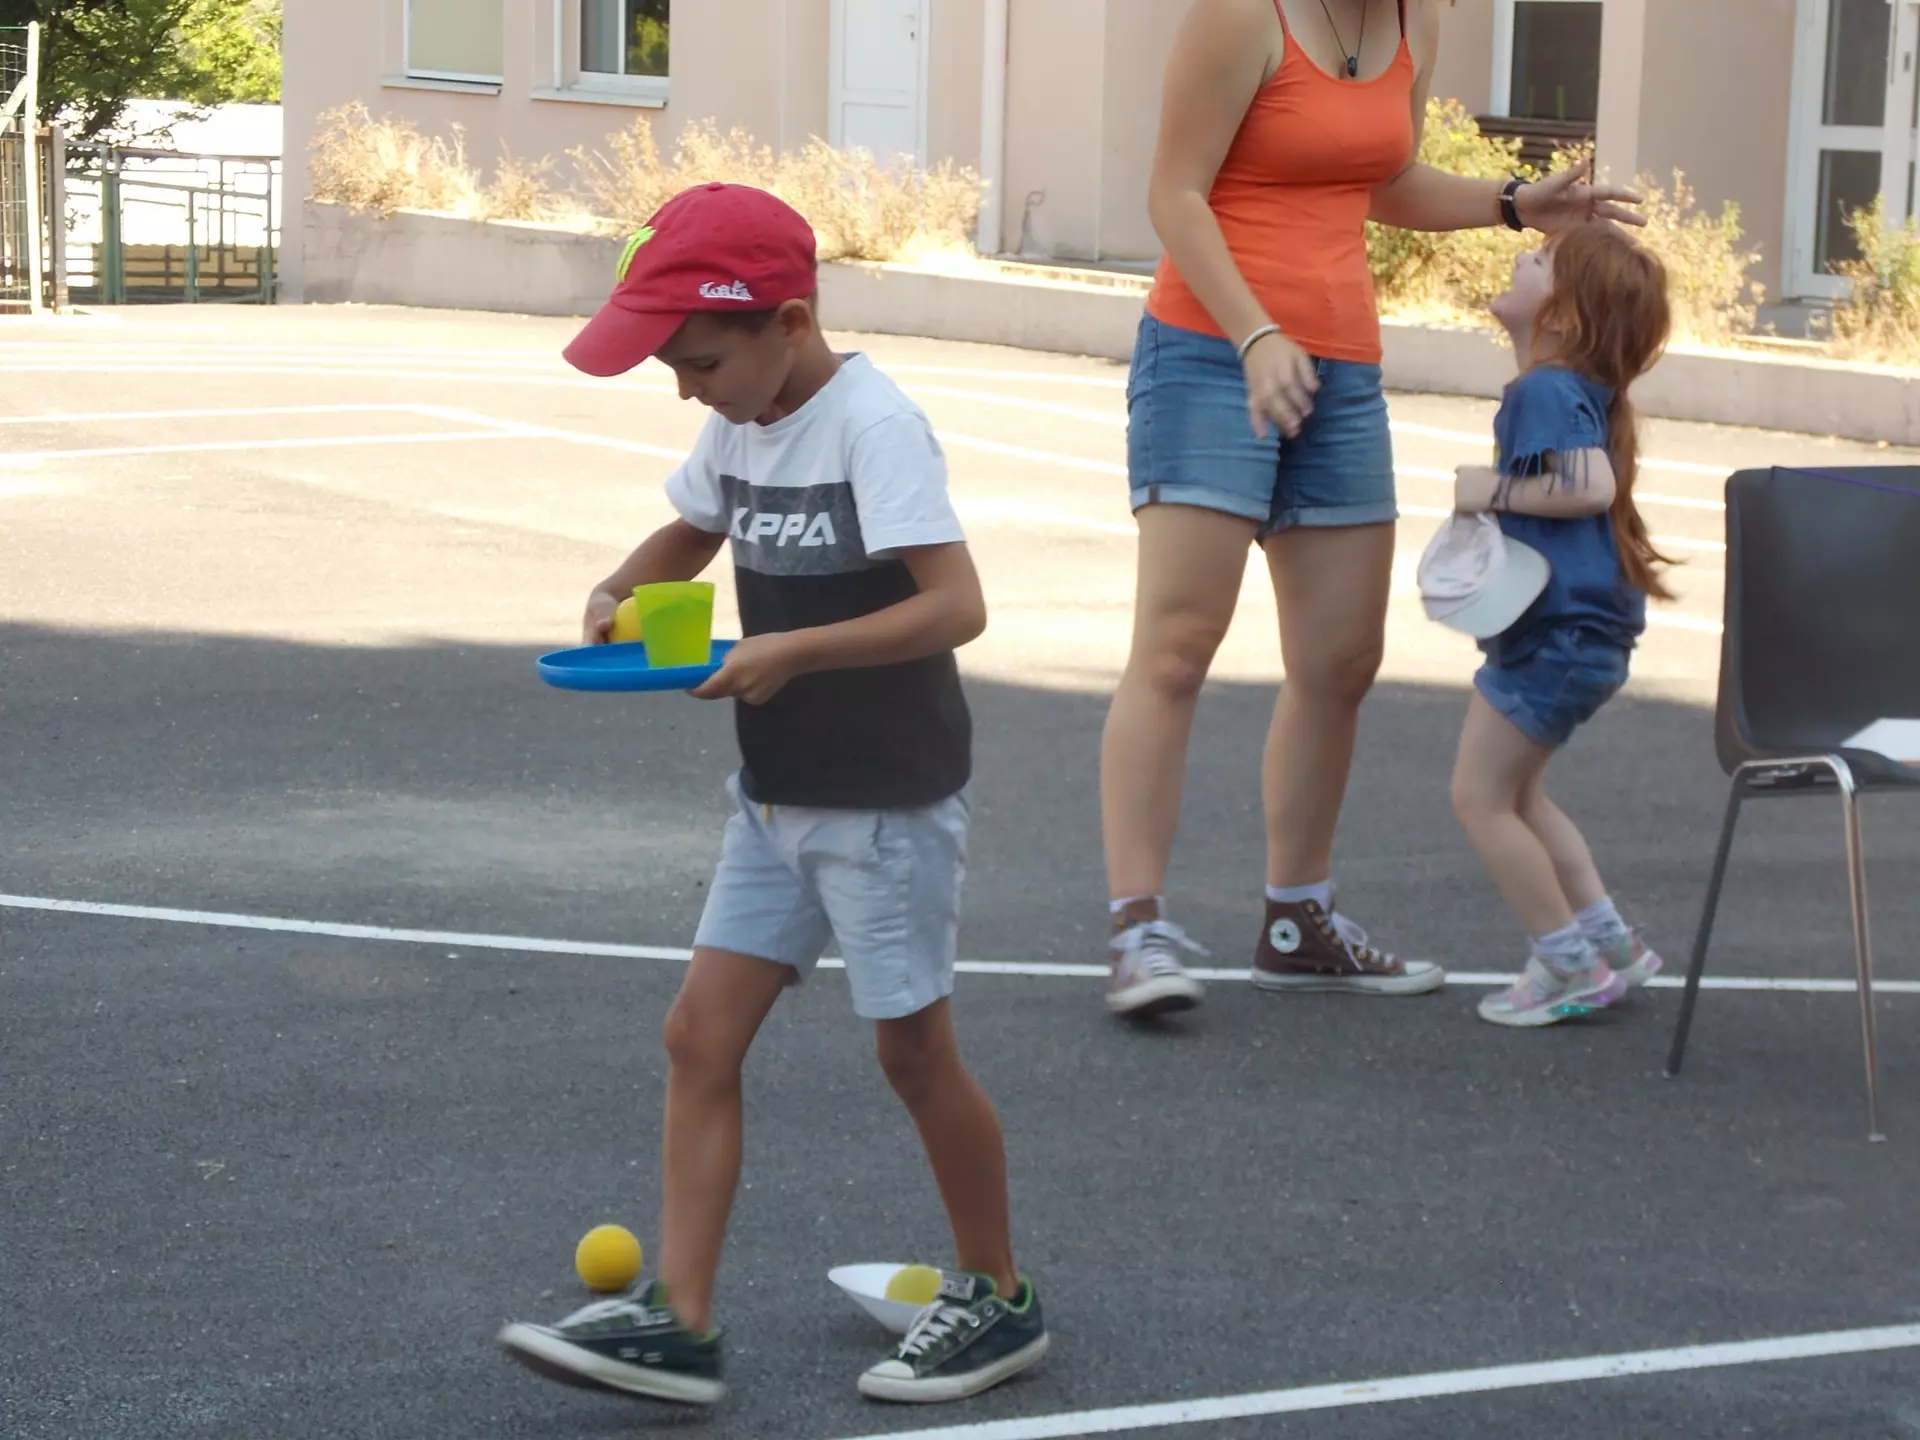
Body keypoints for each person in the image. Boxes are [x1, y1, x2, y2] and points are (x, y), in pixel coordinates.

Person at [496, 183, 1047, 1406]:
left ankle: (998, 1296)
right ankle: (683, 1323)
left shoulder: (873, 424)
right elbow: (689, 533)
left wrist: (790, 651)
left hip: (883, 800)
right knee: (698, 1035)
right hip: (779, 787)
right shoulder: (738, 423)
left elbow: (957, 607)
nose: (687, 388)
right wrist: (618, 586)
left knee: (913, 1055)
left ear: (787, 321)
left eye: (698, 361)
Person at [1101, 0, 1646, 1018]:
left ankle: (1295, 921)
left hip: (1340, 367)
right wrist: (1256, 333)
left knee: (1342, 661)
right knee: (1176, 645)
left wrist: (1516, 202)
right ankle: (1139, 930)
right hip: (1212, 351)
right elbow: (1175, 195)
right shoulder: (1239, 16)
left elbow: (1381, 180)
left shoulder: (1415, 22)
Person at [1444, 220, 1674, 1027]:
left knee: (1479, 797)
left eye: (1539, 260)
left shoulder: (1544, 392)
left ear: (1565, 314)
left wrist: (1491, 493)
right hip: (1586, 637)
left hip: (1557, 636)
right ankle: (1609, 943)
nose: (1520, 257)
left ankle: (1567, 963)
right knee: (1523, 795)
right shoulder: (1565, 387)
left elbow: (1587, 484)